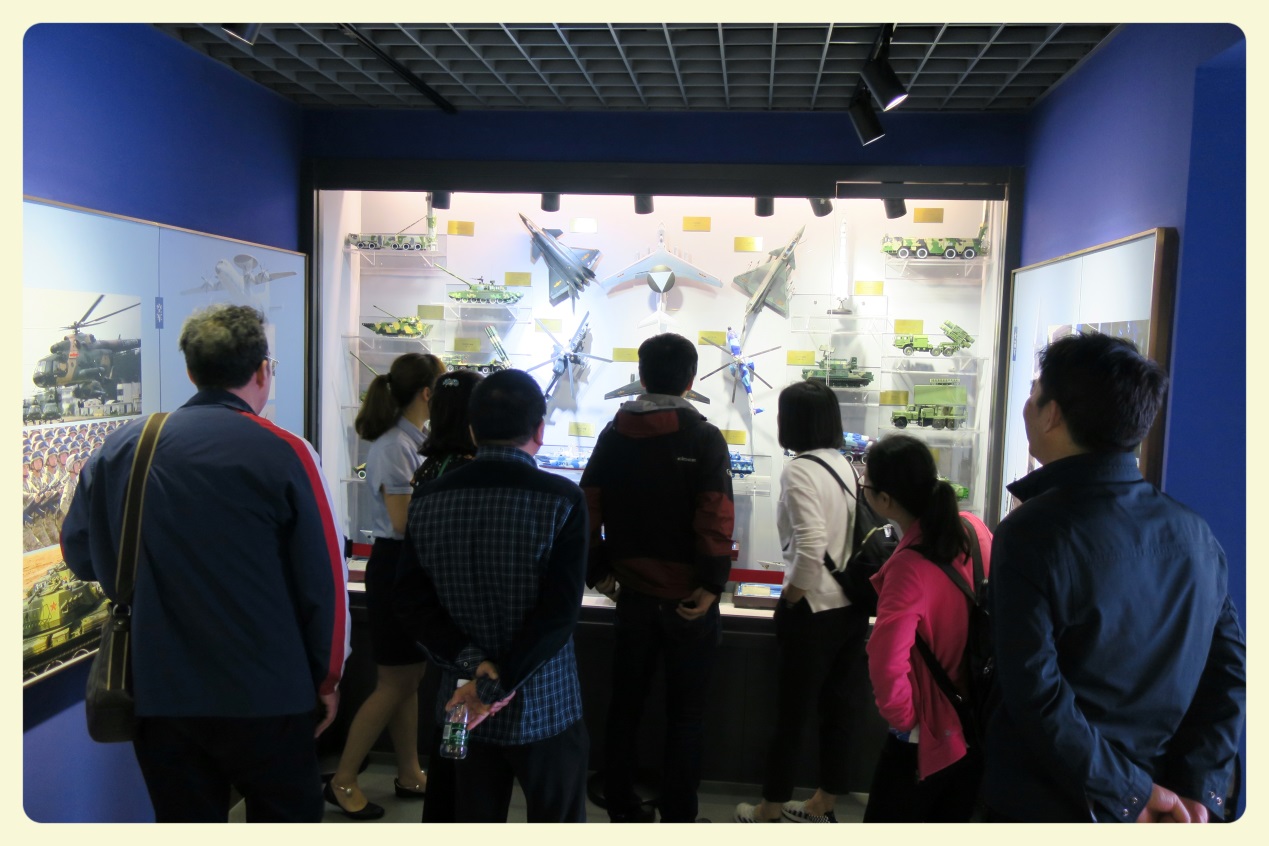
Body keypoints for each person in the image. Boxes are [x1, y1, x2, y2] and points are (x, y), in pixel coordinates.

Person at [60, 304, 349, 822]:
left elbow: (79, 554)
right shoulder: (287, 452)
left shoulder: (125, 447)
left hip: (160, 690)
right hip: (270, 692)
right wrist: (328, 679)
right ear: (263, 370)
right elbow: (325, 580)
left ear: (191, 372)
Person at [984, 332, 1246, 823]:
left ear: (1052, 414)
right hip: (1161, 800)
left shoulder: (1031, 531)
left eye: (1034, 393)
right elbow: (1230, 672)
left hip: (1054, 800)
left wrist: (1130, 792)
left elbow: (1035, 693)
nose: (1027, 406)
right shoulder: (1195, 532)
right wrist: (1197, 791)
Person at [394, 369, 590, 822]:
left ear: (472, 429)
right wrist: (499, 685)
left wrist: (473, 665)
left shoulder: (428, 499)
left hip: (461, 701)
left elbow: (411, 603)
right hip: (546, 701)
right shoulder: (562, 499)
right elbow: (559, 613)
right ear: (540, 430)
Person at [579, 332, 735, 823]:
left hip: (632, 596)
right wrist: (711, 584)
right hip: (689, 601)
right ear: (691, 380)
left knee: (625, 707)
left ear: (642, 377)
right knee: (686, 717)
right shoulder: (704, 438)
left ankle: (622, 809)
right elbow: (716, 514)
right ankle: (680, 815)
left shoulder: (613, 434)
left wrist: (598, 571)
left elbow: (586, 507)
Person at [734, 380, 871, 824]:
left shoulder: (797, 470)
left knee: (790, 716)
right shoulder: (844, 463)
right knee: (838, 711)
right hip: (850, 606)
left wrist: (790, 600)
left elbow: (810, 547)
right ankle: (823, 802)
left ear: (790, 421)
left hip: (813, 610)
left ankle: (769, 808)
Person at [324, 352, 445, 819]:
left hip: (405, 568)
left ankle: (410, 770)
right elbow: (401, 521)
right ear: (428, 393)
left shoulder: (413, 440)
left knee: (409, 679)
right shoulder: (397, 445)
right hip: (396, 567)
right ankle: (343, 778)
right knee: (394, 682)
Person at [858, 433, 993, 822]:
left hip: (929, 732)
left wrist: (905, 720)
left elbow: (886, 660)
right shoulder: (973, 529)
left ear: (885, 500)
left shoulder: (907, 568)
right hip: (979, 718)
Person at [406, 368, 484, 823]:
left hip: (440, 625)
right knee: (463, 751)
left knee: (448, 737)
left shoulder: (430, 467)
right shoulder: (467, 472)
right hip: (467, 629)